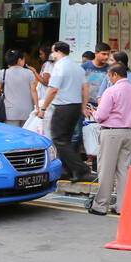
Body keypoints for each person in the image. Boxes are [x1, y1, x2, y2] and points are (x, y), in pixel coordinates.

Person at [85, 63, 131, 216]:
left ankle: (101, 205)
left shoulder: (111, 91)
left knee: (106, 170)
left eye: (109, 76)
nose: (109, 79)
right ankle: (122, 207)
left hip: (111, 133)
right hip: (128, 132)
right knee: (123, 171)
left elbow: (101, 116)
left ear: (115, 75)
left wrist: (94, 113)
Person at [35, 41, 92, 181]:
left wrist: (43, 108)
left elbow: (53, 89)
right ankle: (66, 170)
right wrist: (83, 107)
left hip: (63, 107)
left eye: (53, 52)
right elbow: (85, 88)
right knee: (65, 139)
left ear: (58, 52)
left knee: (59, 139)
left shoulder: (59, 67)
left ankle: (80, 168)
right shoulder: (77, 67)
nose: (52, 55)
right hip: (75, 107)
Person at [0, 48, 39, 126]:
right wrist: (37, 107)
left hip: (10, 112)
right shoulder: (29, 73)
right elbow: (33, 91)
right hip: (27, 112)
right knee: (25, 136)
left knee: (12, 136)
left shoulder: (3, 73)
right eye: (23, 59)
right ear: (19, 60)